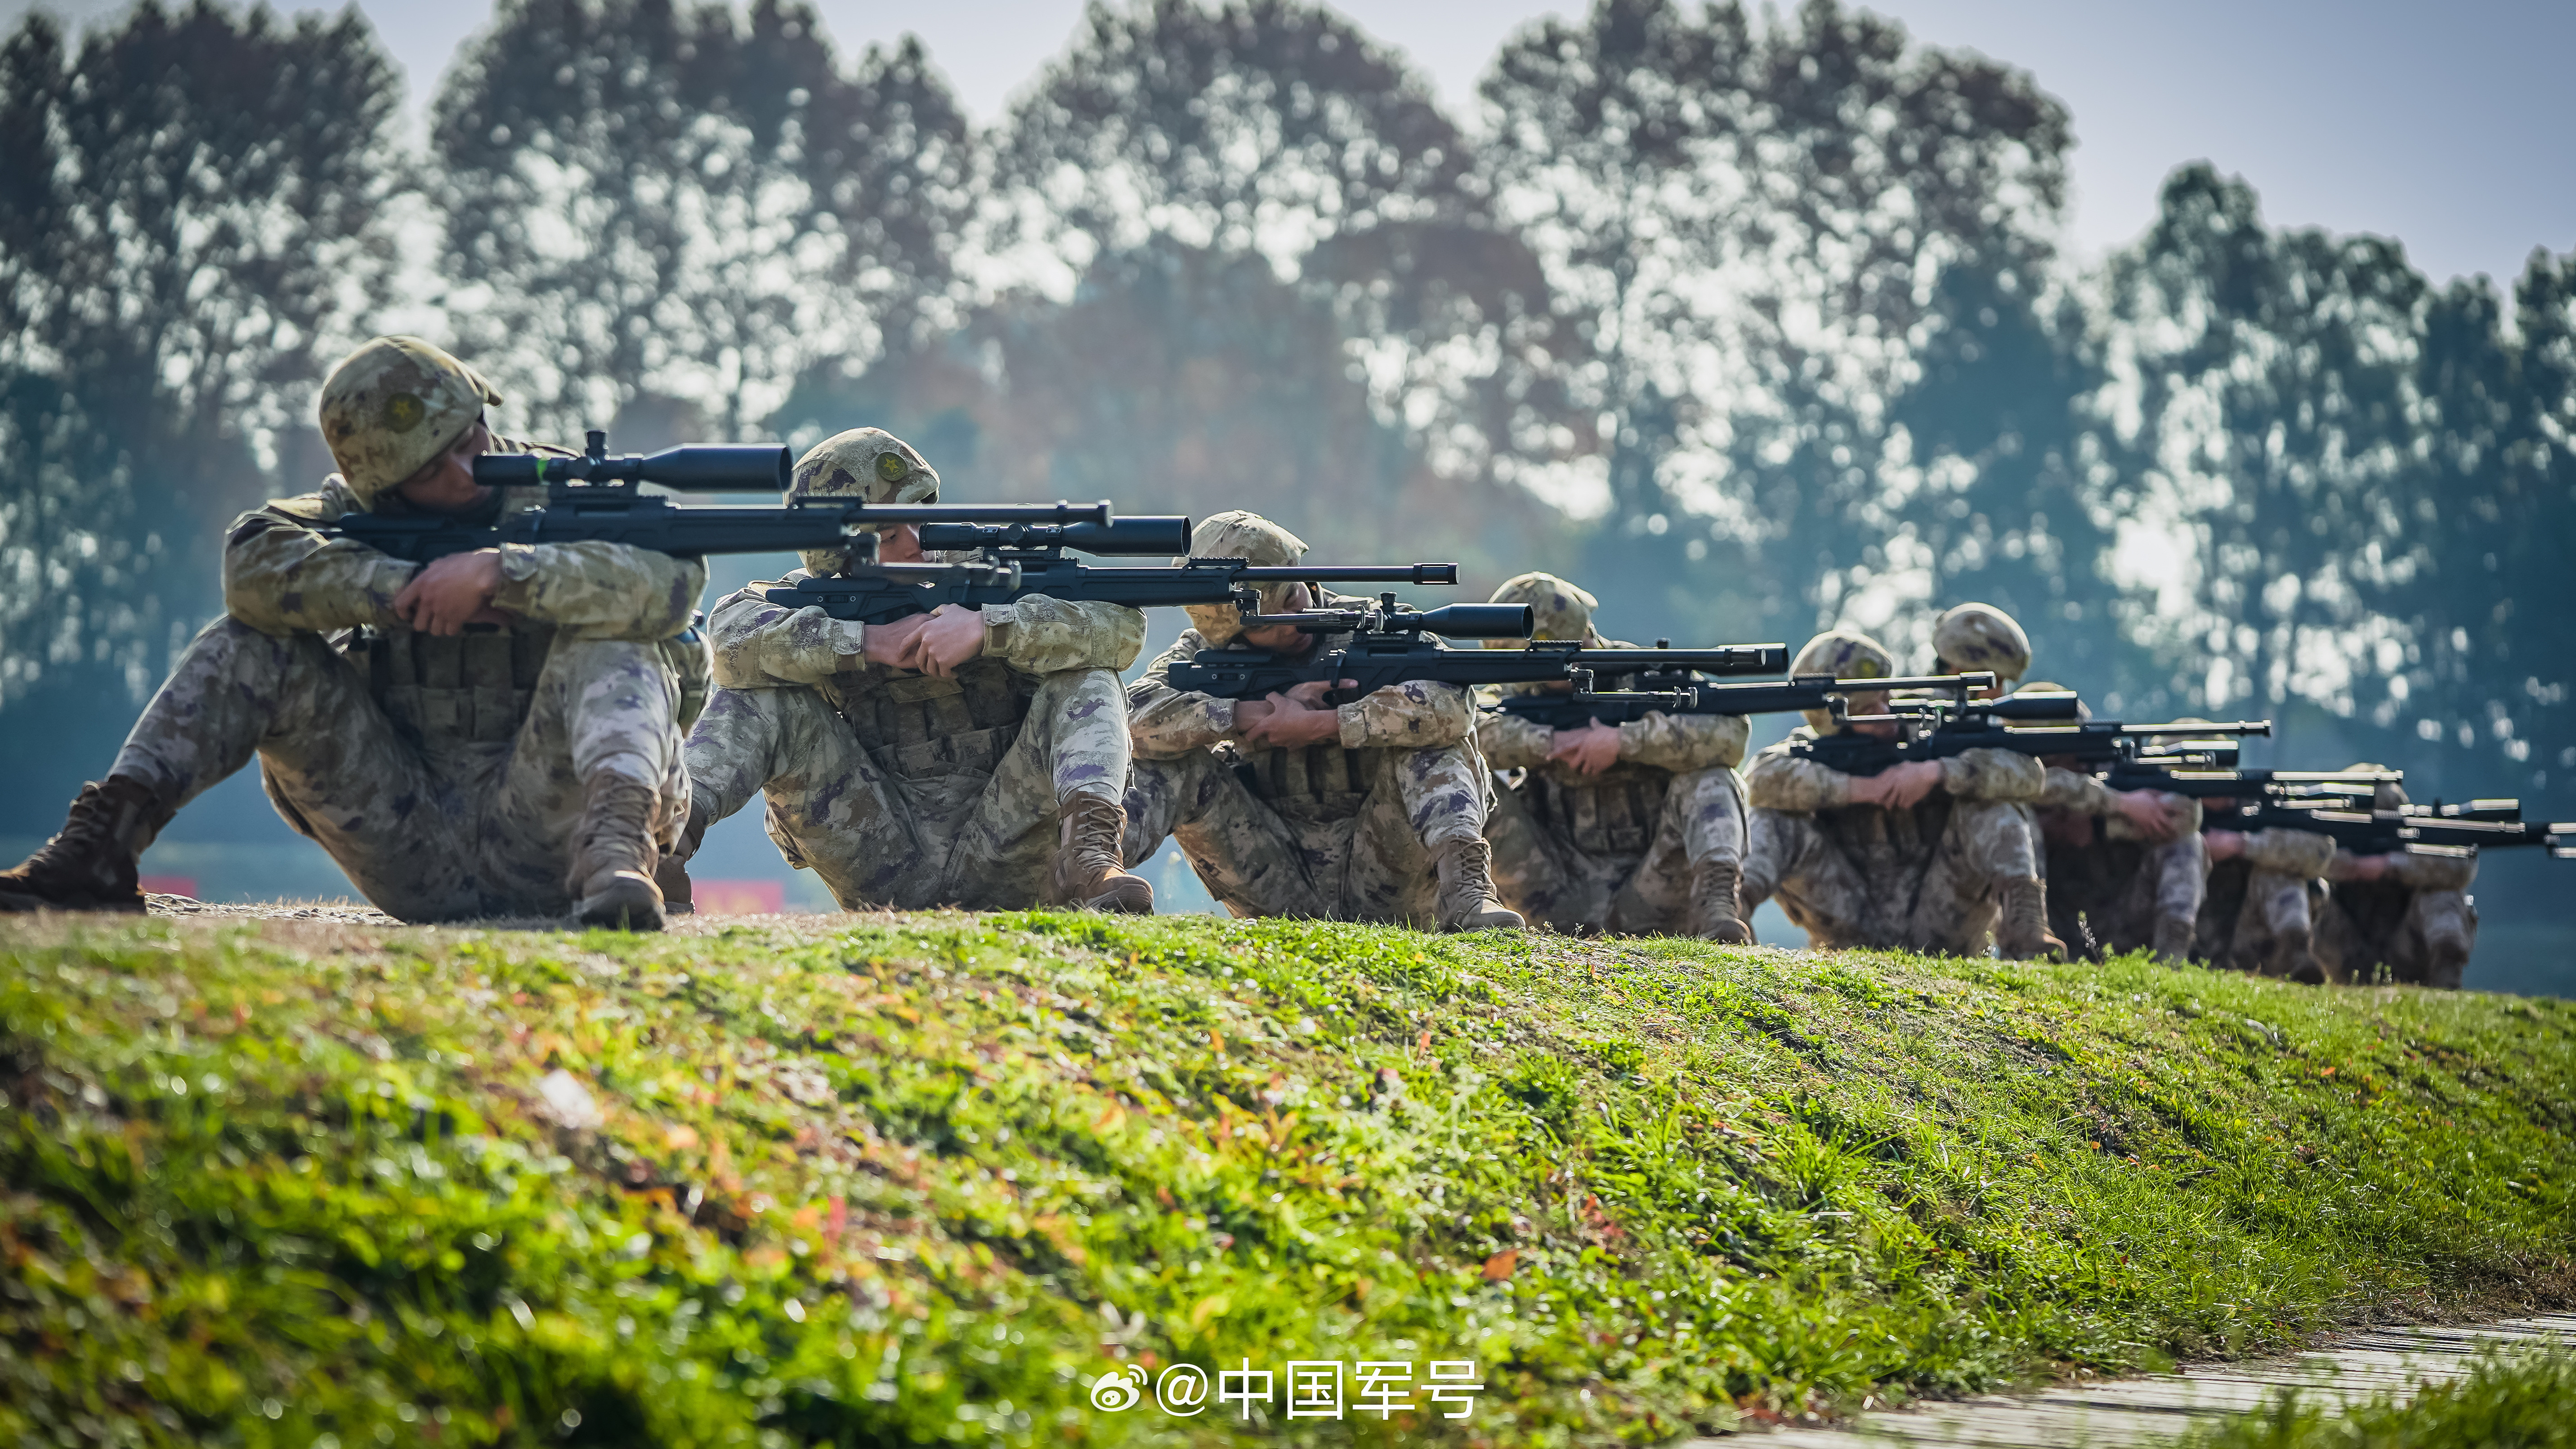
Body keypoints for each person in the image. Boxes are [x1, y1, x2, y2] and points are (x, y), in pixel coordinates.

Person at [0, 336, 702, 927]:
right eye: (432, 468)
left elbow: (671, 584)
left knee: (618, 635)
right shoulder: (347, 510)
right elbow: (252, 564)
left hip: (557, 837)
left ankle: (620, 848)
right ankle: (99, 846)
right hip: (406, 832)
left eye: (470, 440)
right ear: (381, 487)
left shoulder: (567, 493)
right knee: (249, 639)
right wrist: (398, 589)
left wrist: (503, 574)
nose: (465, 473)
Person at [664, 429, 1152, 914]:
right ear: (841, 553)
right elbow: (729, 640)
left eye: (921, 520)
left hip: (1013, 853)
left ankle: (1090, 858)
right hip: (878, 857)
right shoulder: (821, 598)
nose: (916, 543)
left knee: (1087, 677)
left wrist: (989, 628)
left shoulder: (991, 574)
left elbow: (1120, 629)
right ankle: (663, 850)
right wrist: (868, 642)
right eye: (890, 536)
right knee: (760, 695)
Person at [1120, 512, 1520, 932]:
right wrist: (1241, 716)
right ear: (1233, 634)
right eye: (1273, 617)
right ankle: (1092, 871)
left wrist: (1329, 723)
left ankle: (1469, 897)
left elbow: (1451, 706)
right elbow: (1133, 715)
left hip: (1386, 870)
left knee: (1437, 741)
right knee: (1163, 753)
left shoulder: (1378, 628)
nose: (1298, 615)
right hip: (1271, 870)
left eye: (1294, 595)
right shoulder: (1202, 650)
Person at [1741, 630, 2077, 959]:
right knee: (1773, 815)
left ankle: (2027, 928)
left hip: (1943, 921)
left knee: (1993, 803)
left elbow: (2028, 774)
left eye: (1886, 698)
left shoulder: (1929, 726)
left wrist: (1936, 772)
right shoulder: (1812, 748)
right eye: (1870, 710)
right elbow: (1759, 780)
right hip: (1848, 927)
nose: (1887, 712)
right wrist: (1861, 789)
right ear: (1834, 722)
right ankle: (1732, 913)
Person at [1471, 572, 1751, 940]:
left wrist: (1623, 741)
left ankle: (1718, 908)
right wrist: (1552, 741)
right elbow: (1469, 727)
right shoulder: (1519, 690)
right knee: (1472, 774)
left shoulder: (1649, 675)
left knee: (1713, 777)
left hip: (1653, 891)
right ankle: (1469, 900)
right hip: (1554, 891)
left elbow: (1730, 734)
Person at [2019, 683, 2207, 963]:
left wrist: (2104, 823)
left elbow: (2185, 816)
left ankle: (2171, 964)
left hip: (2116, 924)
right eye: (2061, 754)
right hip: (2047, 919)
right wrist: (2118, 805)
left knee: (2189, 843)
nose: (2077, 763)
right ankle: (2025, 951)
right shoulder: (2013, 773)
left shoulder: (2108, 775)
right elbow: (2041, 783)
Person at [2311, 766, 2478, 987]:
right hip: (2344, 957)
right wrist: (2343, 866)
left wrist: (2388, 865)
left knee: (2442, 894)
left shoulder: (2410, 842)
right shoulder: (2326, 842)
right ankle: (2297, 975)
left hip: (2404, 956)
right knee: (2306, 887)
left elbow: (2460, 866)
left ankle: (2447, 986)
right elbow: (2297, 855)